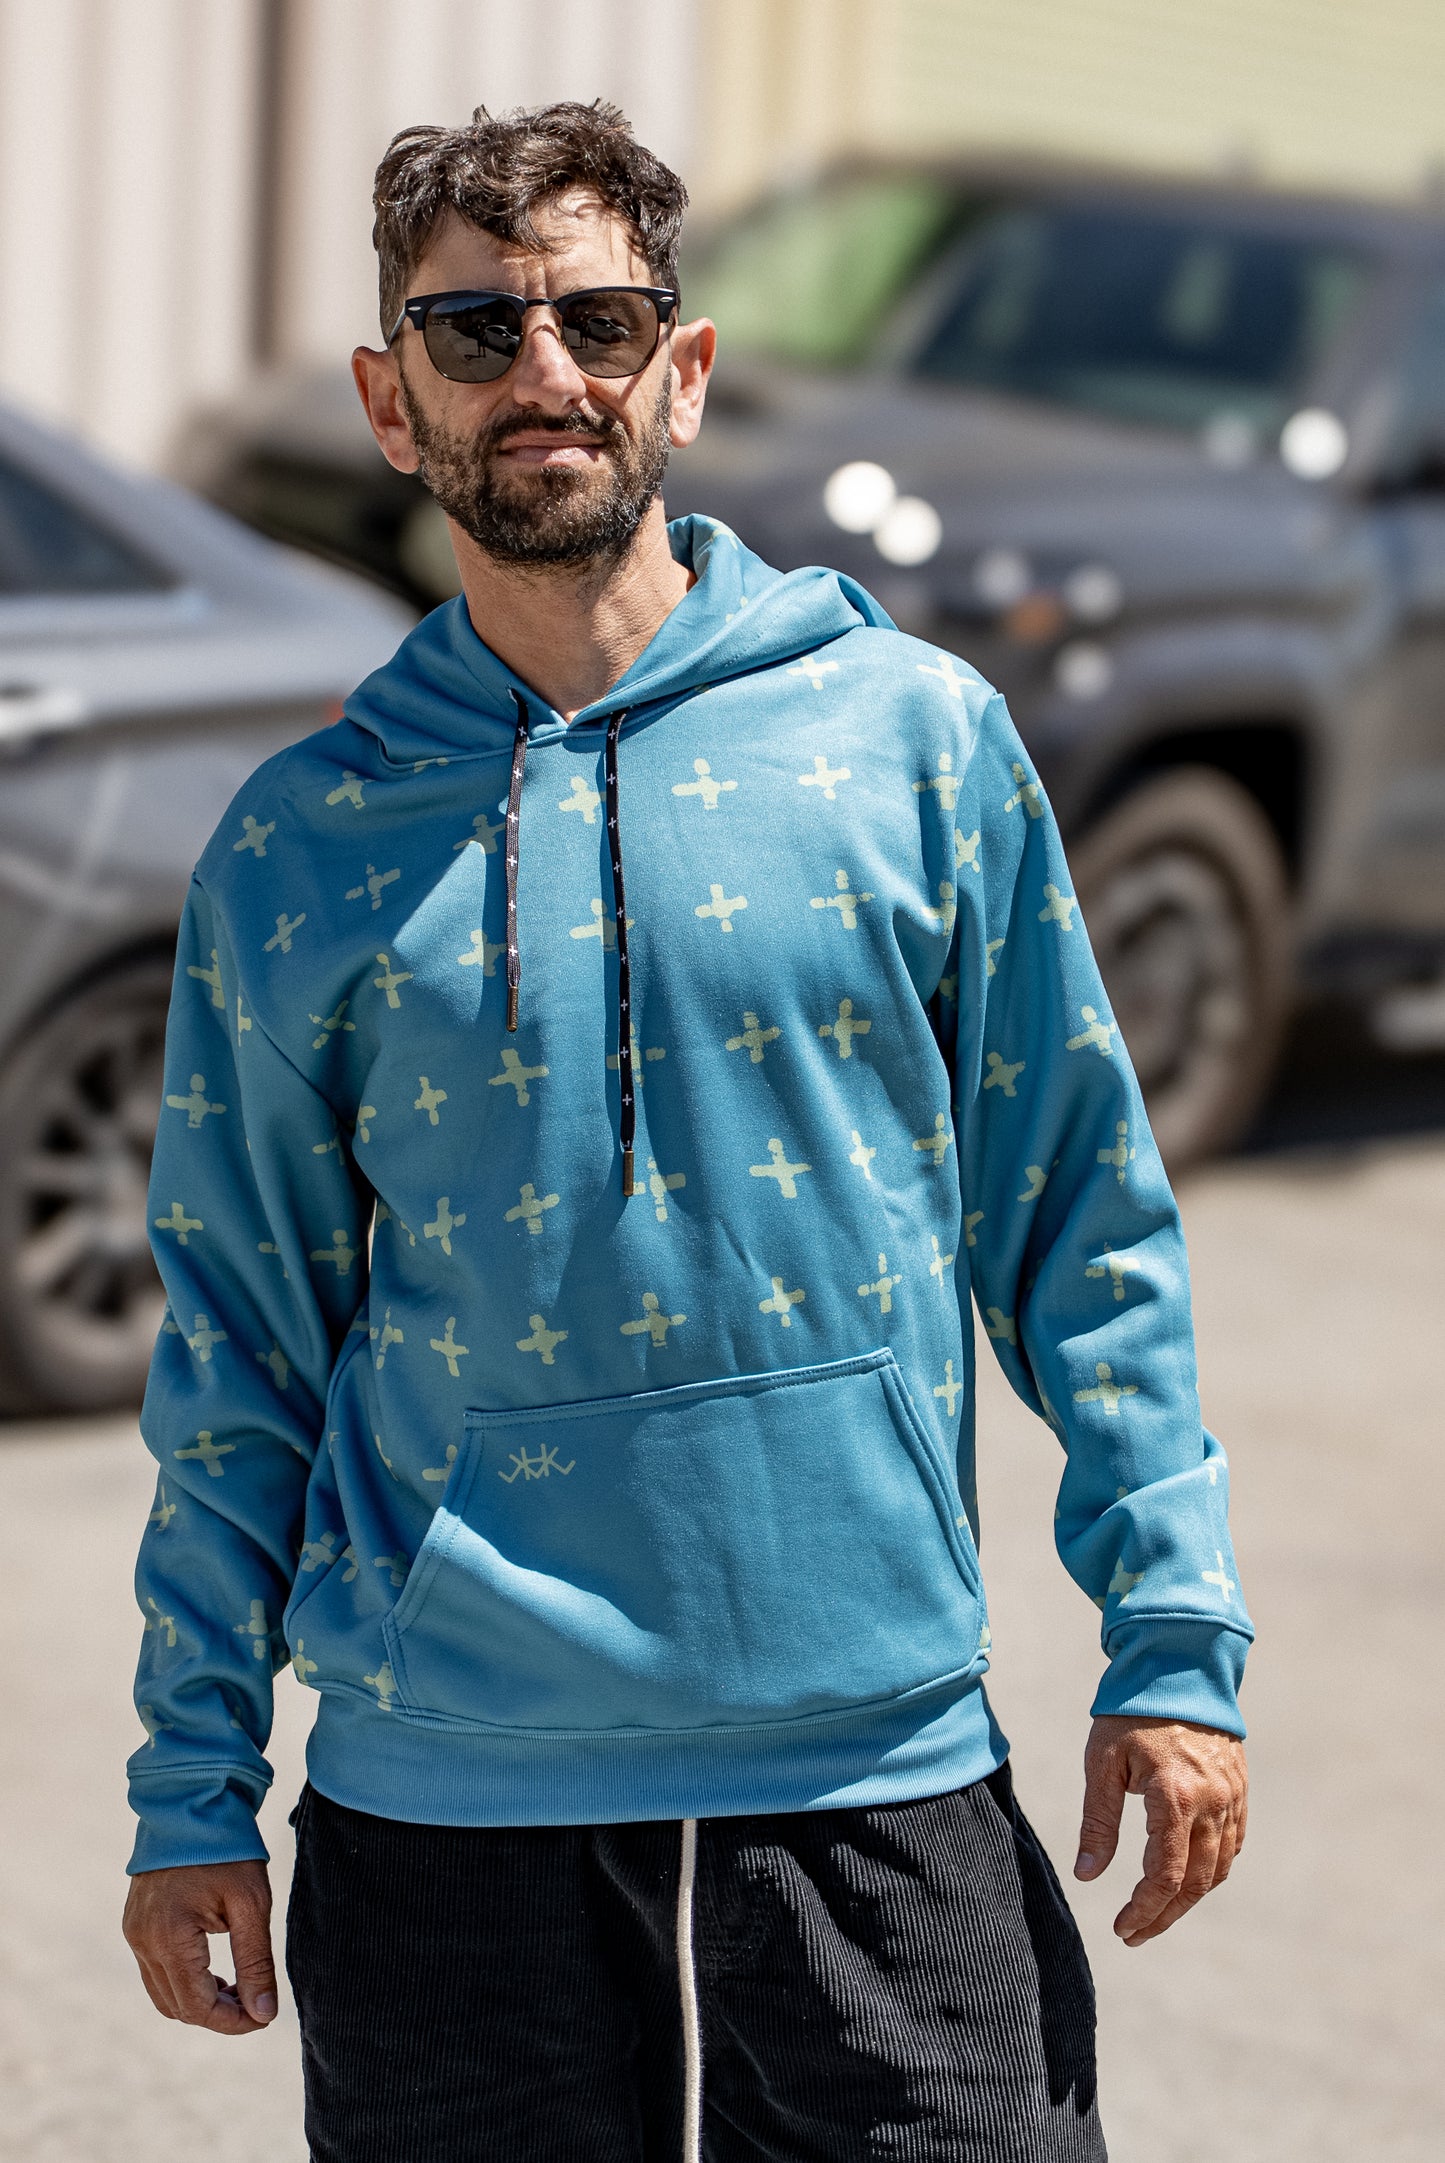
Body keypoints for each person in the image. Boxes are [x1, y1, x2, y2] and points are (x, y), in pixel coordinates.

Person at [122, 100, 1251, 2162]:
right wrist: (191, 1785)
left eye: (601, 320)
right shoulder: (300, 846)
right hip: (444, 1802)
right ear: (390, 400)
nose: (544, 371)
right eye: (474, 331)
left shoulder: (915, 741)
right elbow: (237, 1347)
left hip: (872, 1761)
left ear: (687, 367)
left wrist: (1172, 1639)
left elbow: (1080, 1213)